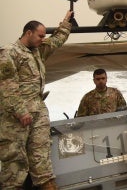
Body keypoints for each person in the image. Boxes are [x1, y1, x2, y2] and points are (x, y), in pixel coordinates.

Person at [0, 11, 73, 190]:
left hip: (38, 110)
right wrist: (20, 110)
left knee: (41, 151)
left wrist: (66, 24)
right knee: (14, 158)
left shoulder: (38, 51)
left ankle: (47, 184)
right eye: (40, 35)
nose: (43, 39)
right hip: (16, 115)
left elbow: (56, 41)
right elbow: (6, 84)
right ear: (28, 33)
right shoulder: (9, 52)